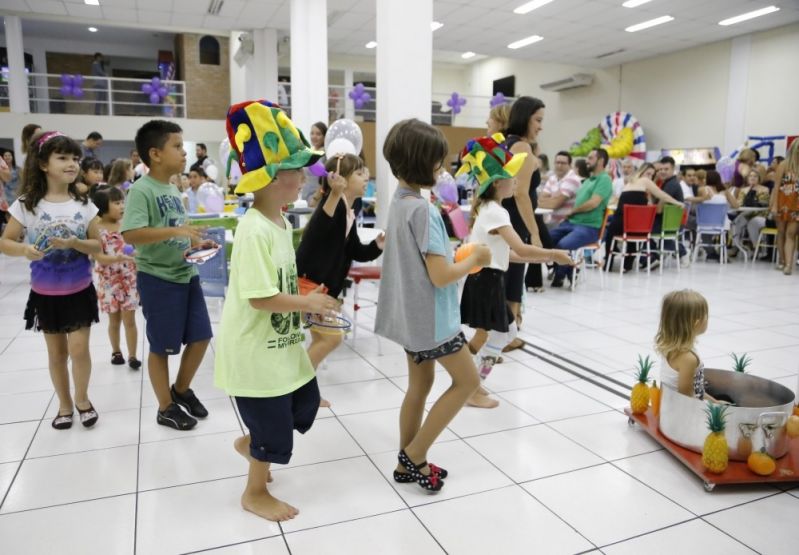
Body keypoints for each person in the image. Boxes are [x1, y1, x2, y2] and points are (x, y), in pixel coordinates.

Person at [214, 100, 339, 521]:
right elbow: (259, 297)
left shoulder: (281, 223)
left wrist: (306, 297)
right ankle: (254, 490)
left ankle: (254, 446)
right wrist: (306, 302)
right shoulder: (253, 230)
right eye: (295, 170)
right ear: (267, 177)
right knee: (274, 428)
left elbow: (279, 283)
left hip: (279, 344)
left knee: (305, 402)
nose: (303, 177)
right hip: (255, 351)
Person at [376, 119, 492, 492]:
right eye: (438, 163)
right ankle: (416, 455)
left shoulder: (399, 203)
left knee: (420, 386)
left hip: (411, 318)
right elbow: (441, 276)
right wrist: (477, 260)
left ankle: (406, 459)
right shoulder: (424, 210)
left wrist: (458, 260)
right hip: (433, 320)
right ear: (422, 163)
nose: (442, 171)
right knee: (468, 380)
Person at [458, 135, 573, 403]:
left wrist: (539, 258)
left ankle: (469, 382)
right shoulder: (497, 212)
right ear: (498, 183)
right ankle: (468, 386)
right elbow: (520, 248)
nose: (518, 181)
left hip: (486, 278)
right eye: (513, 176)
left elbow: (507, 253)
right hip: (486, 281)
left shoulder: (487, 208)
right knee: (495, 334)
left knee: (496, 334)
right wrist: (553, 253)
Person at [0, 131, 102, 430]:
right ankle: (64, 404)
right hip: (45, 293)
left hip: (80, 289)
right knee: (56, 354)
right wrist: (25, 249)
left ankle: (82, 399)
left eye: (75, 158)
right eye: (63, 158)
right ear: (44, 164)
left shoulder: (85, 204)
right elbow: (5, 242)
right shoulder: (26, 204)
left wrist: (75, 243)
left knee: (79, 349)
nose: (71, 164)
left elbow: (98, 245)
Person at [122, 120, 215, 430]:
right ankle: (165, 407)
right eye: (177, 146)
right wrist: (177, 230)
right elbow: (132, 234)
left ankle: (181, 389)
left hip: (186, 273)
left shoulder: (174, 188)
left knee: (201, 337)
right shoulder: (141, 190)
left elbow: (179, 230)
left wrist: (197, 242)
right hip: (158, 278)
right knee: (162, 346)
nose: (184, 152)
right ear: (155, 154)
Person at [295, 153, 384, 408]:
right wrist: (333, 194)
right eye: (359, 173)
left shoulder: (349, 209)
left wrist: (379, 244)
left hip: (322, 287)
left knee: (322, 340)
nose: (366, 177)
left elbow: (355, 250)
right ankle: (296, 392)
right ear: (341, 180)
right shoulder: (333, 205)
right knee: (332, 338)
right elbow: (321, 226)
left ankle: (302, 394)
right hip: (311, 286)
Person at [91, 186, 140, 370]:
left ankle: (133, 355)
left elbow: (136, 247)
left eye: (122, 202)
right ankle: (116, 351)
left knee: (130, 320)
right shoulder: (96, 229)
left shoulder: (127, 225)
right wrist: (117, 258)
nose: (121, 206)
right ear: (103, 206)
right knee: (114, 321)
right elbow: (99, 257)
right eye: (116, 202)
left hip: (129, 279)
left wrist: (136, 254)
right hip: (109, 281)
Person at [549, 148, 613, 288]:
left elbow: (593, 203)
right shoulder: (588, 180)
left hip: (589, 227)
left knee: (564, 245)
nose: (586, 160)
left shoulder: (604, 179)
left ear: (601, 161)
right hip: (571, 223)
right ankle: (568, 270)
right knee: (546, 238)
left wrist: (573, 211)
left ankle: (560, 275)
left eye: (590, 158)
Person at [603, 163, 683, 272]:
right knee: (638, 232)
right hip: (633, 227)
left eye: (652, 175)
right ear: (642, 171)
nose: (650, 177)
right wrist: (677, 202)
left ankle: (609, 263)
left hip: (618, 225)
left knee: (612, 231)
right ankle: (630, 263)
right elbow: (661, 195)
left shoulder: (629, 183)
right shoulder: (645, 181)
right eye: (648, 173)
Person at [655, 290, 725, 402]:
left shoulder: (672, 347)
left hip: (670, 404)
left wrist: (715, 402)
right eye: (706, 316)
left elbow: (697, 390)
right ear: (696, 323)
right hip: (680, 411)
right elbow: (686, 399)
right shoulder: (688, 359)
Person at [772, 140, 799, 274]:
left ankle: (788, 264)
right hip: (782, 203)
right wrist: (774, 206)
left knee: (791, 233)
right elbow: (776, 187)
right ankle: (782, 261)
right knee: (781, 233)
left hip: (797, 204)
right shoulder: (783, 165)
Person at [538, 150, 581, 227]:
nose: (559, 165)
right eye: (557, 162)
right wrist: (554, 198)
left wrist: (552, 199)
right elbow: (541, 198)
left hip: (566, 223)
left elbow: (554, 205)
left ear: (570, 165)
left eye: (563, 163)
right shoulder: (552, 178)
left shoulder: (573, 179)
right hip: (551, 221)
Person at [301, 121, 328, 204]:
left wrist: (316, 199)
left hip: (317, 199)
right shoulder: (309, 152)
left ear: (324, 136)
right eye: (312, 133)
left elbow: (325, 180)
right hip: (305, 197)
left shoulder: (326, 154)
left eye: (318, 134)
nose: (314, 137)